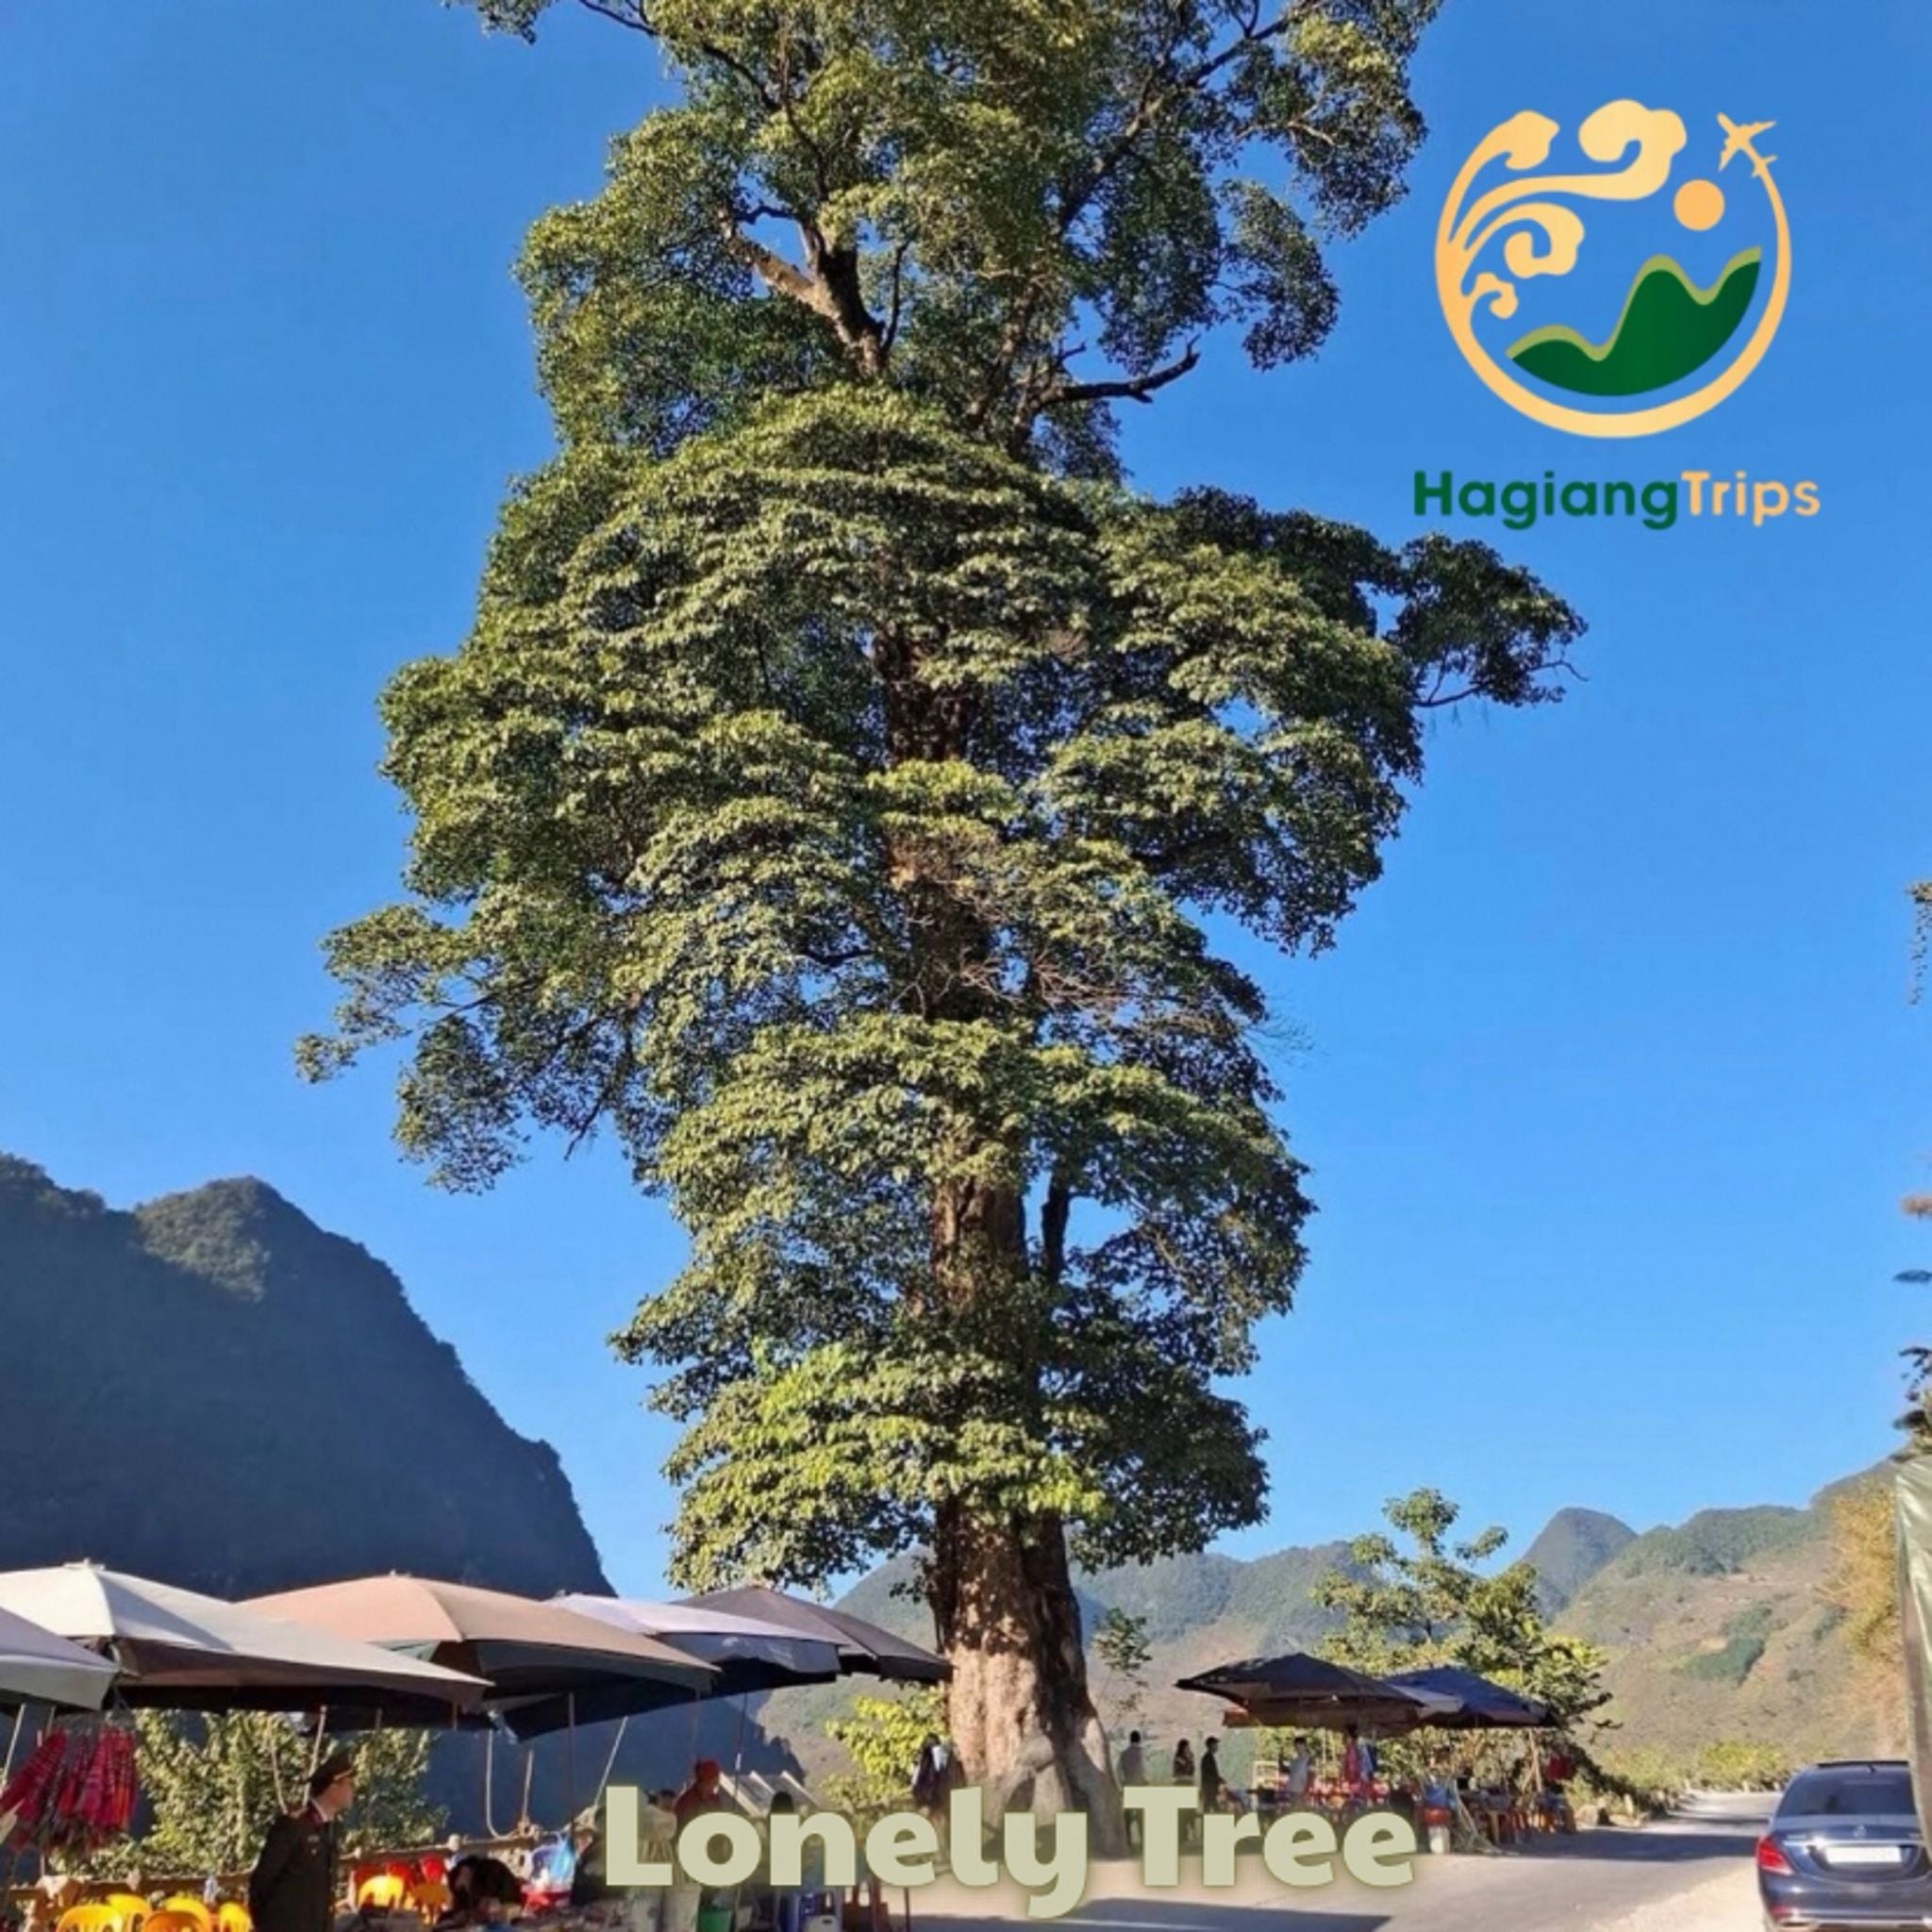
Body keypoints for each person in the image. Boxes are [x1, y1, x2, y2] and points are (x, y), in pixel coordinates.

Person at [249, 1753, 356, 1932]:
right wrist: (266, 1925)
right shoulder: (293, 1826)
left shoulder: (330, 1829)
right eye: (349, 1784)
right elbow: (262, 1880)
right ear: (333, 1788)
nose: (353, 1790)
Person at [1198, 1738, 1224, 1815]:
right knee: (1212, 1806)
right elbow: (1207, 1775)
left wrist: (1219, 1779)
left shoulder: (1209, 1757)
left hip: (1210, 1787)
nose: (1217, 1746)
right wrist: (1217, 1779)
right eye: (1215, 1744)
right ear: (1211, 1745)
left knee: (1209, 1806)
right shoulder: (1207, 1758)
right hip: (1209, 1787)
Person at [1285, 1738, 1312, 1805]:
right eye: (1296, 1746)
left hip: (1302, 1791)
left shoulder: (1309, 1759)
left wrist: (1306, 1790)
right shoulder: (1295, 1760)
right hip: (1293, 1790)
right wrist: (1282, 1766)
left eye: (1300, 1746)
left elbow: (1311, 1774)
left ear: (1305, 1746)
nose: (1298, 1748)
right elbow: (1290, 1772)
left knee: (1301, 1809)